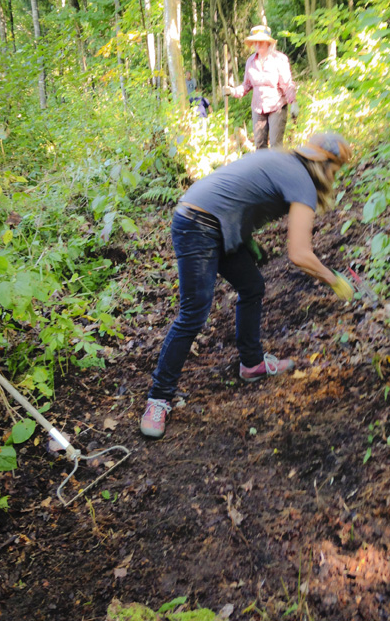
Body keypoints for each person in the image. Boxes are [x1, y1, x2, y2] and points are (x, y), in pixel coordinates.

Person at [140, 132, 355, 438]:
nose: (336, 176)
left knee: (251, 285)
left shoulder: (283, 160)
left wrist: (243, 237)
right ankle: (158, 398)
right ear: (323, 163)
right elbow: (300, 254)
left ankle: (252, 364)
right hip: (198, 225)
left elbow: (237, 194)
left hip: (213, 222)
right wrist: (334, 280)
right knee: (193, 313)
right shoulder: (302, 182)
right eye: (336, 169)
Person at [224, 24, 297, 149]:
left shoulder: (279, 59)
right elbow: (246, 85)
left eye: (260, 40)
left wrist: (293, 102)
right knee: (260, 146)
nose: (257, 43)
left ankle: (276, 168)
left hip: (277, 107)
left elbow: (287, 84)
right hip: (258, 108)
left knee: (275, 145)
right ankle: (262, 169)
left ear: (268, 42)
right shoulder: (250, 62)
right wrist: (232, 91)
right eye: (254, 41)